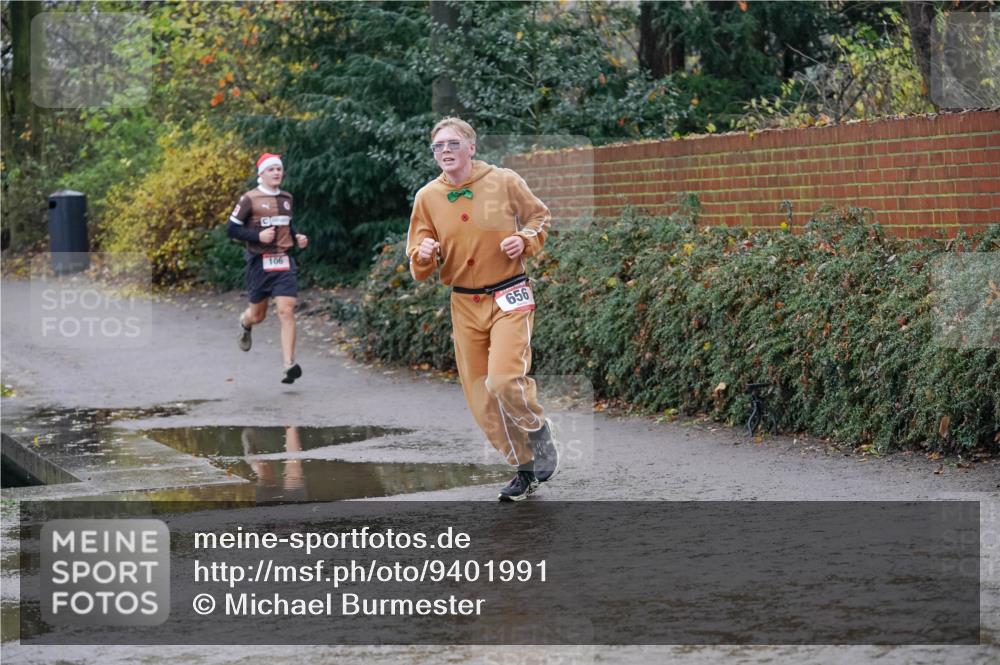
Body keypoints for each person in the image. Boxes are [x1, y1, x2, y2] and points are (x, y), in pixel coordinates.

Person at [406, 118, 559, 502]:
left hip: (509, 294)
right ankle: (524, 468)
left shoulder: (504, 180)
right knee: (480, 397)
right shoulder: (427, 197)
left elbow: (540, 217)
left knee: (505, 380)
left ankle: (537, 429)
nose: (445, 151)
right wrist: (423, 254)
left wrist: (524, 239)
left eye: (453, 144)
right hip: (463, 302)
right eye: (438, 146)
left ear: (471, 148)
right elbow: (418, 257)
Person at [227, 153, 308, 384]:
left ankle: (289, 365)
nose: (276, 173)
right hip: (259, 263)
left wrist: (297, 238)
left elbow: (287, 226)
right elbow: (231, 230)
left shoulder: (286, 198)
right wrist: (257, 236)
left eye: (278, 169)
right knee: (258, 315)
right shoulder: (249, 199)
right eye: (271, 169)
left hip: (283, 261)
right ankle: (245, 322)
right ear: (261, 174)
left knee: (287, 310)